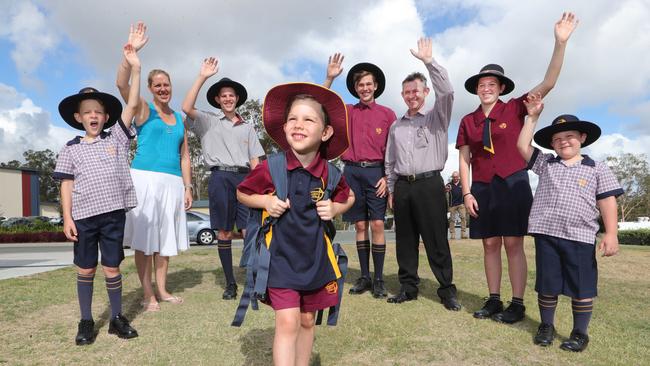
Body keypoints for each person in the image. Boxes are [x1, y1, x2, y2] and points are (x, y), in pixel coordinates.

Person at [456, 12, 578, 323]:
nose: (486, 88)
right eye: (482, 84)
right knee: (489, 244)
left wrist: (560, 44)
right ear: (477, 89)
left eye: (492, 83)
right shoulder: (467, 120)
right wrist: (467, 192)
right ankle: (494, 299)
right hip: (482, 186)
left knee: (513, 243)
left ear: (500, 87)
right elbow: (464, 158)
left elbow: (549, 82)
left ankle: (518, 303)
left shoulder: (515, 106)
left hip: (512, 182)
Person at [237, 82, 354, 366]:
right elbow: (242, 192)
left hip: (315, 260)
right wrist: (265, 202)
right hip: (279, 260)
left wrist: (336, 207)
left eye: (308, 119)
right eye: (292, 118)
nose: (298, 125)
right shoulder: (271, 167)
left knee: (306, 320)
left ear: (325, 132)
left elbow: (349, 196)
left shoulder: (330, 173)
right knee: (288, 322)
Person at [517, 93, 623, 352]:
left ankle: (579, 332)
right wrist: (532, 117)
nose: (563, 142)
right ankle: (546, 326)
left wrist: (612, 233)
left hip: (580, 237)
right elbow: (522, 146)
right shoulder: (546, 164)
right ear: (552, 144)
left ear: (582, 138)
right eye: (557, 139)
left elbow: (607, 201)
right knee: (547, 284)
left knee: (581, 287)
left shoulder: (597, 168)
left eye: (569, 136)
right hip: (547, 234)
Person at [53, 44, 142, 345]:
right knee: (87, 268)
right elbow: (66, 184)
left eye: (98, 112)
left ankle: (116, 318)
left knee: (112, 266)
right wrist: (67, 217)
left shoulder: (117, 137)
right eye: (87, 112)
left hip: (113, 214)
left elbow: (130, 104)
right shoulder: (70, 148)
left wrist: (135, 66)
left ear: (106, 117)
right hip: (84, 218)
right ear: (78, 117)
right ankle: (86, 321)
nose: (93, 116)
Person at [117, 22, 192, 311]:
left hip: (173, 183)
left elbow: (185, 156)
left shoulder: (180, 119)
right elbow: (122, 85)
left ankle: (162, 290)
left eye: (166, 84)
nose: (163, 88)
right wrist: (131, 55)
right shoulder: (143, 109)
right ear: (149, 88)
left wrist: (187, 186)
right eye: (157, 85)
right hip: (144, 180)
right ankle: (147, 294)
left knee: (164, 242)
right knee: (144, 240)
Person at [384, 37, 460, 311]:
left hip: (430, 185)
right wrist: (392, 190)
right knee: (405, 240)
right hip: (403, 187)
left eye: (416, 91)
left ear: (426, 92)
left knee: (436, 239)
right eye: (407, 92)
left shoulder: (437, 118)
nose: (411, 96)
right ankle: (408, 287)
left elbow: (448, 93)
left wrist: (429, 63)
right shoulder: (396, 127)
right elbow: (390, 161)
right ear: (402, 95)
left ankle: (446, 289)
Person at [182, 57, 265, 300]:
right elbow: (186, 107)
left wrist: (260, 187)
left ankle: (254, 278)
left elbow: (256, 162)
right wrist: (203, 76)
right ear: (218, 100)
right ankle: (230, 283)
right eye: (223, 96)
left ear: (237, 99)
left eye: (232, 95)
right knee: (225, 233)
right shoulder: (207, 121)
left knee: (251, 229)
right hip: (219, 179)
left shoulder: (248, 128)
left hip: (245, 180)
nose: (228, 99)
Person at [323, 54, 397, 298]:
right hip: (352, 172)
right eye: (360, 85)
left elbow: (393, 149)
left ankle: (378, 279)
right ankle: (364, 277)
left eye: (368, 84)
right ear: (355, 88)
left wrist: (388, 178)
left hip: (377, 172)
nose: (364, 88)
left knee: (377, 223)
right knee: (360, 225)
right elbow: (318, 104)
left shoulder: (387, 114)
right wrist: (330, 77)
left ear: (375, 86)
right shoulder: (346, 111)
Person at [447, 171, 468, 240]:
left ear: (459, 177)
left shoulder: (462, 183)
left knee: (463, 218)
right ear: (452, 177)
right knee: (452, 220)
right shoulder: (449, 184)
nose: (455, 178)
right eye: (454, 177)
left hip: (461, 204)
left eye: (456, 177)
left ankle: (463, 234)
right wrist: (445, 189)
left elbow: (467, 192)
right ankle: (452, 235)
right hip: (452, 205)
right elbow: (444, 190)